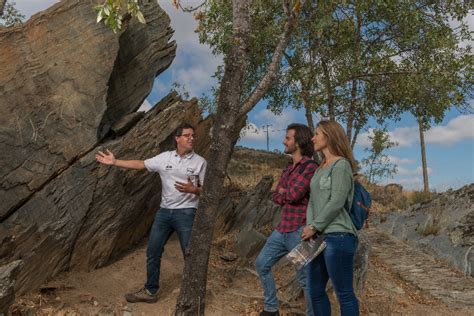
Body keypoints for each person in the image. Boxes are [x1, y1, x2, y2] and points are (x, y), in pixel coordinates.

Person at [95, 123, 206, 303]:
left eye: (193, 135)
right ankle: (150, 291)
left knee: (190, 254)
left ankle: (195, 295)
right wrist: (115, 162)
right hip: (164, 213)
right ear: (177, 139)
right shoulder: (165, 158)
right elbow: (141, 164)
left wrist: (194, 190)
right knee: (153, 251)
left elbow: (208, 189)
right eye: (187, 135)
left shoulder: (200, 162)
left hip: (186, 213)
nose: (191, 138)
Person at [255, 123, 318, 316]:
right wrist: (283, 192)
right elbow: (276, 196)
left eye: (288, 138)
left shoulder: (310, 167)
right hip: (282, 229)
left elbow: (292, 195)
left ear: (298, 142)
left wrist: (284, 192)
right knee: (261, 264)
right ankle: (271, 308)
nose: (284, 141)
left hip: (300, 232)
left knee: (305, 279)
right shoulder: (288, 167)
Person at [302, 120, 359, 316]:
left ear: (329, 136)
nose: (313, 138)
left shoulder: (341, 165)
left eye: (317, 133)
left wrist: (315, 225)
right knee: (315, 291)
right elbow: (312, 201)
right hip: (317, 236)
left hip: (339, 236)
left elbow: (337, 201)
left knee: (343, 293)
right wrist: (310, 228)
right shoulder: (320, 168)